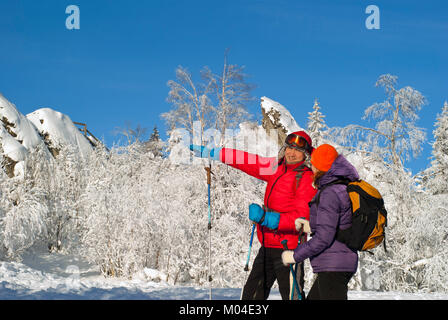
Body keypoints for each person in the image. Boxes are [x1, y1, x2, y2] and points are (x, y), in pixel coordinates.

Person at [190, 131, 317, 300]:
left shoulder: (307, 177)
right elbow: (248, 161)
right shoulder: (275, 168)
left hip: (290, 250)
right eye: (289, 148)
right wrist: (217, 154)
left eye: (297, 150)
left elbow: (302, 218)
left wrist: (267, 219)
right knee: (251, 297)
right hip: (266, 246)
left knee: (293, 297)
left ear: (306, 154)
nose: (291, 153)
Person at [281, 144, 359, 300]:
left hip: (333, 266)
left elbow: (324, 238)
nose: (312, 169)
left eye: (314, 165)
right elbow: (336, 226)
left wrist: (295, 256)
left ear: (321, 167)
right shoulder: (340, 187)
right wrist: (309, 226)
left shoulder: (329, 192)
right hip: (336, 264)